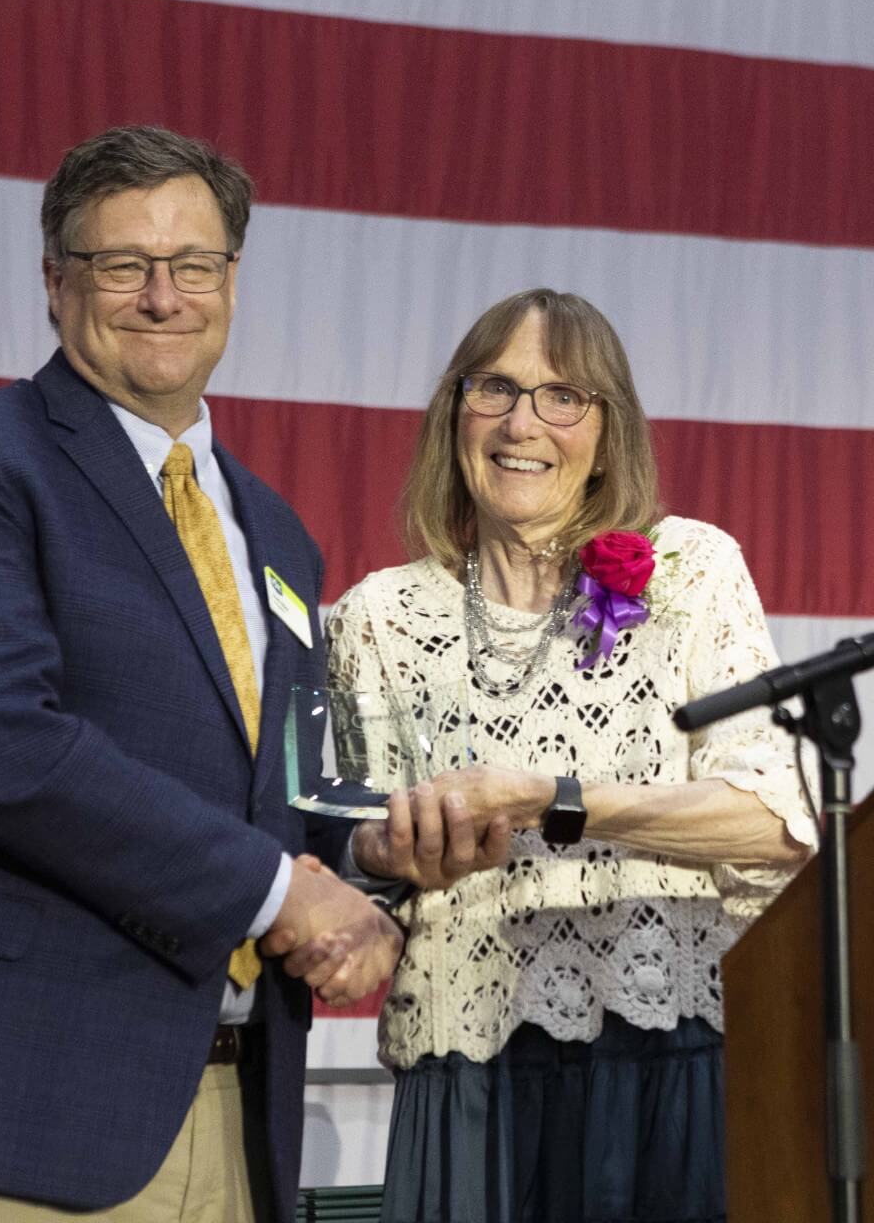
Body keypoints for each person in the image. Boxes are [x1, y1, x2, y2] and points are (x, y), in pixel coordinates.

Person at [0, 125, 405, 1223]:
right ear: (56, 280)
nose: (163, 296)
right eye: (124, 264)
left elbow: (306, 787)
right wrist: (278, 890)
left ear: (231, 280)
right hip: (3, 1114)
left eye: (195, 264)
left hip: (236, 1112)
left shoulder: (280, 535)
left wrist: (373, 850)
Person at [329, 288, 818, 1223]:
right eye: (495, 389)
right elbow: (351, 866)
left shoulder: (693, 572)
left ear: (608, 428)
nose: (523, 423)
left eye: (564, 396)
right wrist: (386, 856)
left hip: (664, 1060)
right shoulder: (375, 619)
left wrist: (554, 799)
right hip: (464, 1073)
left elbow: (775, 819)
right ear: (454, 414)